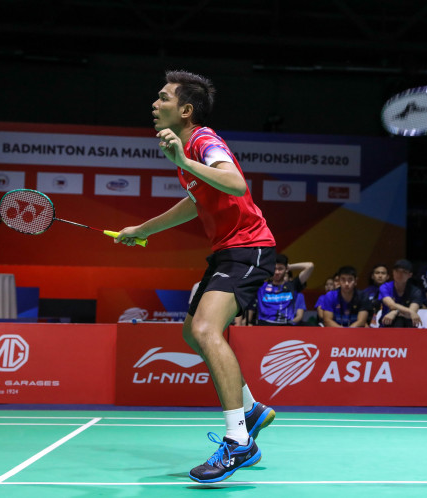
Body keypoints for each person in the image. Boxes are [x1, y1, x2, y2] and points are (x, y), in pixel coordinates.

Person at [115, 70, 277, 483]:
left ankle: (239, 441)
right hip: (226, 252)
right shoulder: (186, 150)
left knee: (206, 330)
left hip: (249, 248)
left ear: (185, 110)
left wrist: (184, 161)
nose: (155, 103)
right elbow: (194, 203)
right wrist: (142, 230)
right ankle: (253, 409)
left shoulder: (203, 140)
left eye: (163, 98)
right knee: (191, 332)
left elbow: (236, 184)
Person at [251, 254, 314, 326]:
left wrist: (290, 266)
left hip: (286, 325)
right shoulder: (261, 286)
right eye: (274, 269)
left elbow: (310, 266)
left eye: (280, 269)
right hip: (264, 325)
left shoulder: (292, 285)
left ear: (286, 269)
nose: (277, 272)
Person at [378, 259, 425, 328]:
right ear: (393, 272)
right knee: (398, 320)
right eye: (397, 271)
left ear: (410, 275)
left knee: (402, 320)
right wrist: (410, 312)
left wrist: (395, 312)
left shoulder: (415, 291)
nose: (400, 275)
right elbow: (391, 305)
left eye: (404, 272)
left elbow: (411, 314)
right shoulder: (385, 287)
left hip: (407, 326)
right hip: (387, 325)